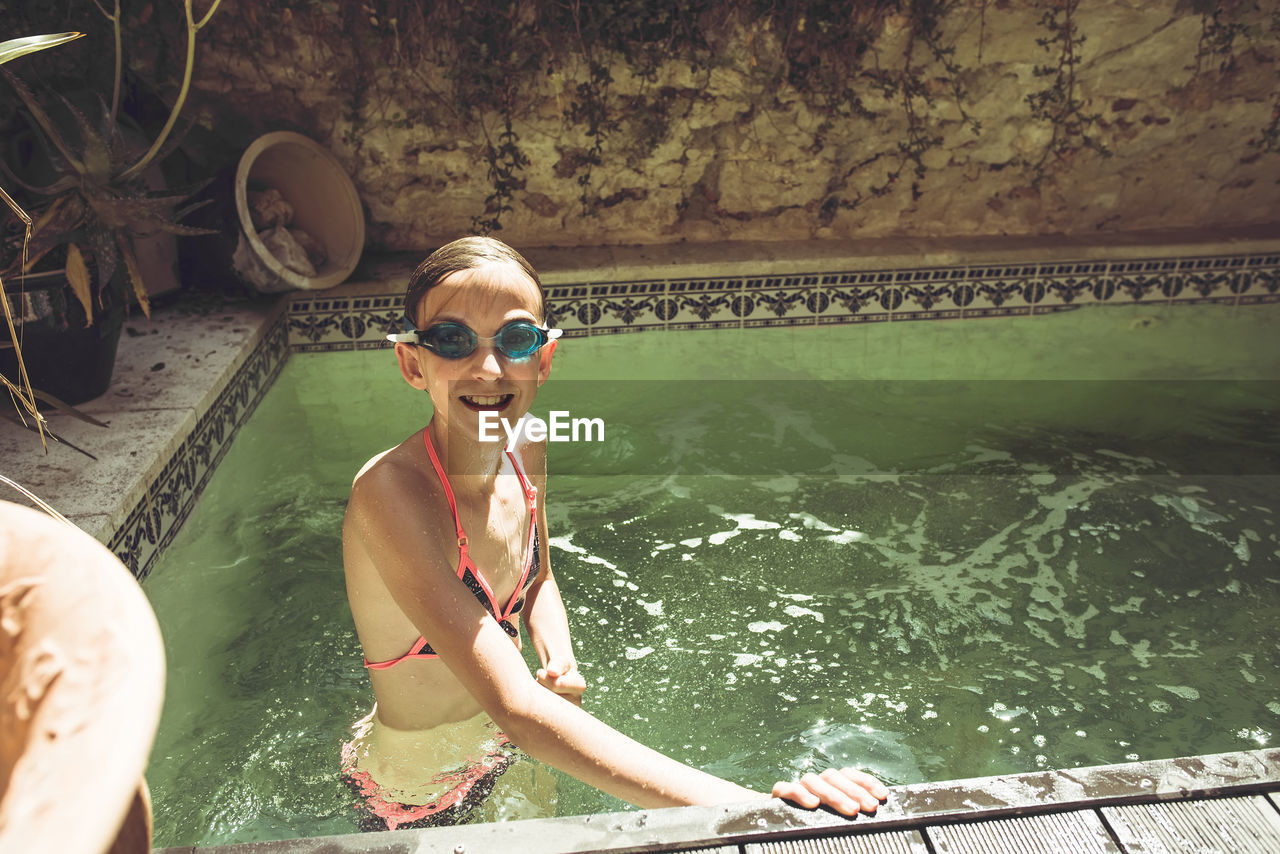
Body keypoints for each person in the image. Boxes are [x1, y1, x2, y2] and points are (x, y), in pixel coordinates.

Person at [341, 236, 889, 831]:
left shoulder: (527, 445)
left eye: (516, 339)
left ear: (544, 361)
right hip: (418, 794)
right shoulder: (389, 494)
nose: (489, 367)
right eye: (452, 340)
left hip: (516, 748)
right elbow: (517, 706)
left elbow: (536, 577)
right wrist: (751, 811)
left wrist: (556, 656)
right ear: (412, 364)